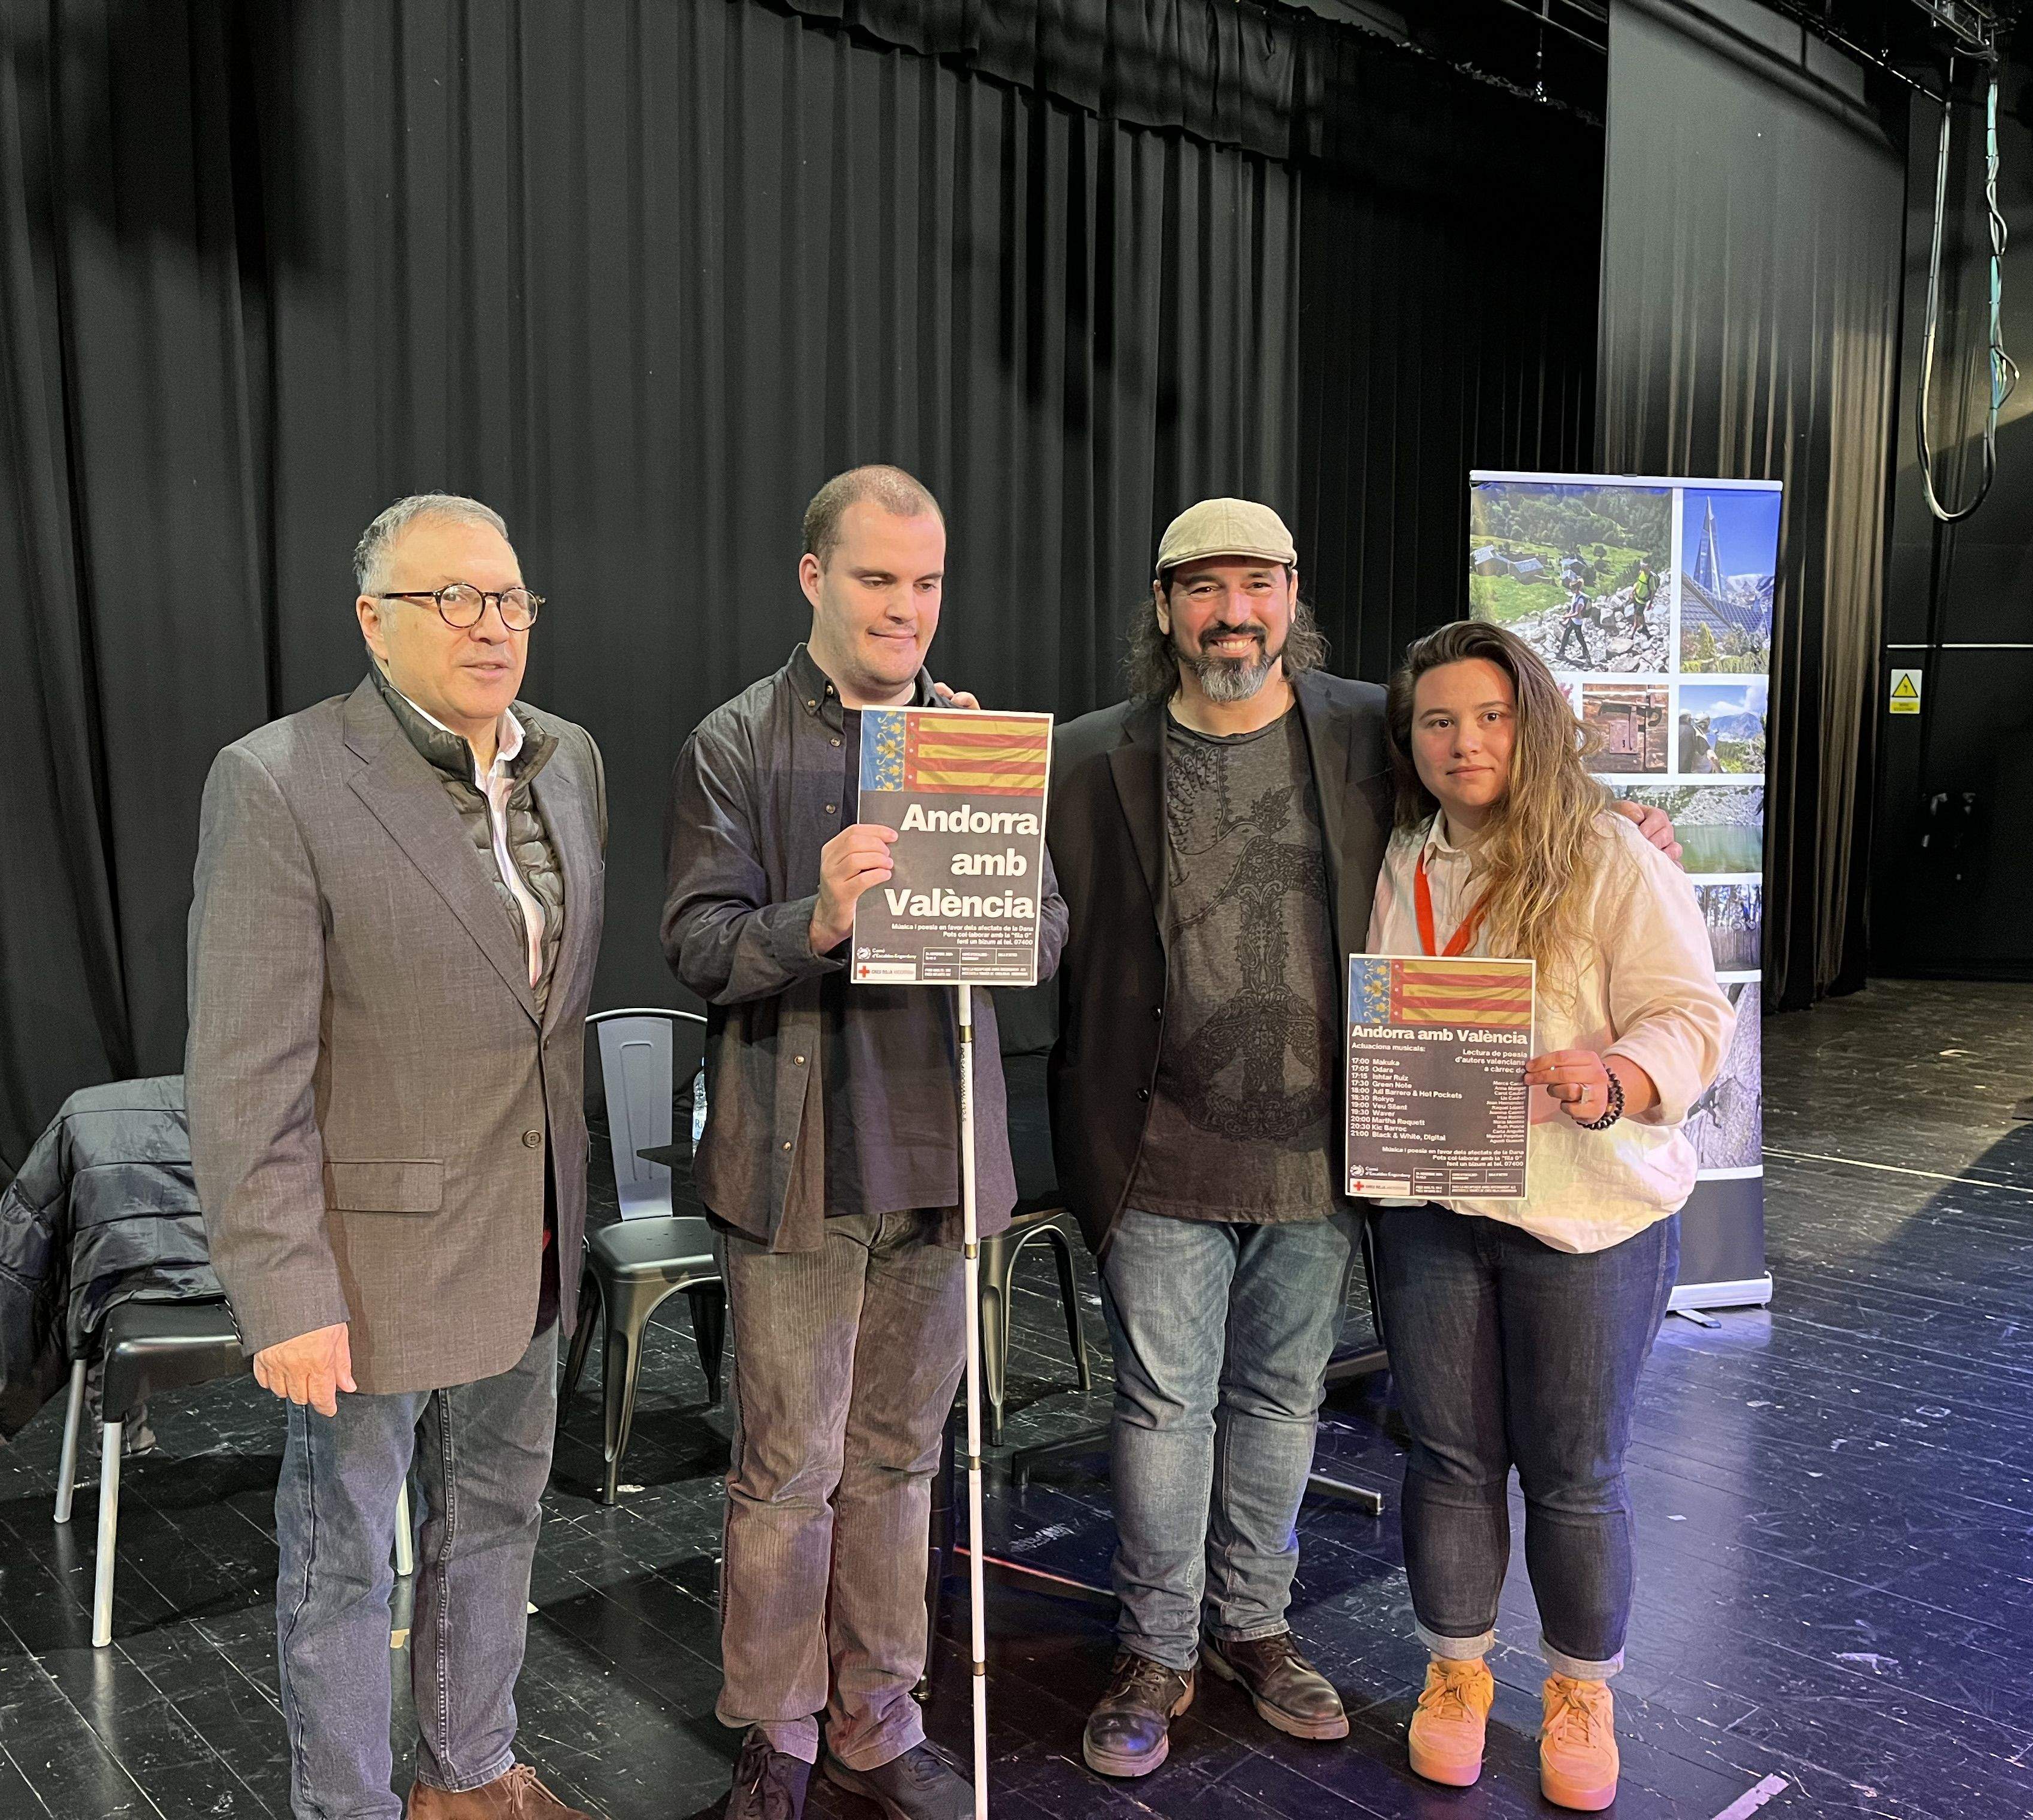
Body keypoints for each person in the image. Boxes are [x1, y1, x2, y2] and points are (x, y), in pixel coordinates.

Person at [1045, 498, 1682, 1782]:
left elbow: (1497, 768)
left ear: (1295, 595)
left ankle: (1256, 1631)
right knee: (1164, 1409)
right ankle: (1156, 1650)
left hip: (1329, 1156)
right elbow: (1026, 910)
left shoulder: (1357, 729)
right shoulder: (1083, 755)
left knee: (1281, 1404)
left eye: (1259, 585)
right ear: (1163, 606)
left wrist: (1619, 812)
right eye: (1205, 588)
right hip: (1155, 1146)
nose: (1235, 613)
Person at [188, 494, 604, 1820]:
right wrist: (284, 1291)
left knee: (500, 1524)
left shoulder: (570, 760)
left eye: (511, 599)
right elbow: (246, 1070)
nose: (493, 626)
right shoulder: (280, 780)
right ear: (375, 622)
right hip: (364, 1270)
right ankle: (351, 1807)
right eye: (455, 600)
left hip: (532, 1239)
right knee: (343, 1562)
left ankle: (470, 1773)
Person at [662, 464, 1066, 1820]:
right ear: (813, 577)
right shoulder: (733, 741)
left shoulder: (974, 740)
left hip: (943, 1157)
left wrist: (988, 882)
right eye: (879, 577)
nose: (908, 606)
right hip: (797, 1165)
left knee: (902, 1458)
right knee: (790, 1467)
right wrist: (816, 917)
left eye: (928, 580)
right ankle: (775, 1732)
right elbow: (696, 945)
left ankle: (876, 1715)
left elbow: (1048, 935)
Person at [1366, 618, 1733, 1812]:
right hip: (1434, 1202)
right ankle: (1457, 1672)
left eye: (1491, 716)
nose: (1465, 741)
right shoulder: (1403, 860)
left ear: (1534, 722)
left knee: (1574, 1471)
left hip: (1586, 1214)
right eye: (1439, 721)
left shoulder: (1613, 853)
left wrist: (1617, 1077)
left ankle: (1580, 1687)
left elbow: (1689, 1013)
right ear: (1410, 739)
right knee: (1453, 1458)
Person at [1553, 580, 1595, 668]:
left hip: (1577, 622)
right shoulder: (1575, 596)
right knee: (1566, 634)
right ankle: (1562, 652)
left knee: (1580, 638)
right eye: (1571, 589)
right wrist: (1567, 616)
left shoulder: (1580, 600)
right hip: (1573, 620)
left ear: (1577, 589)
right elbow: (1573, 610)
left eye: (1573, 589)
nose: (1572, 590)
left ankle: (1587, 656)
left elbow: (1577, 613)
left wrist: (1567, 617)